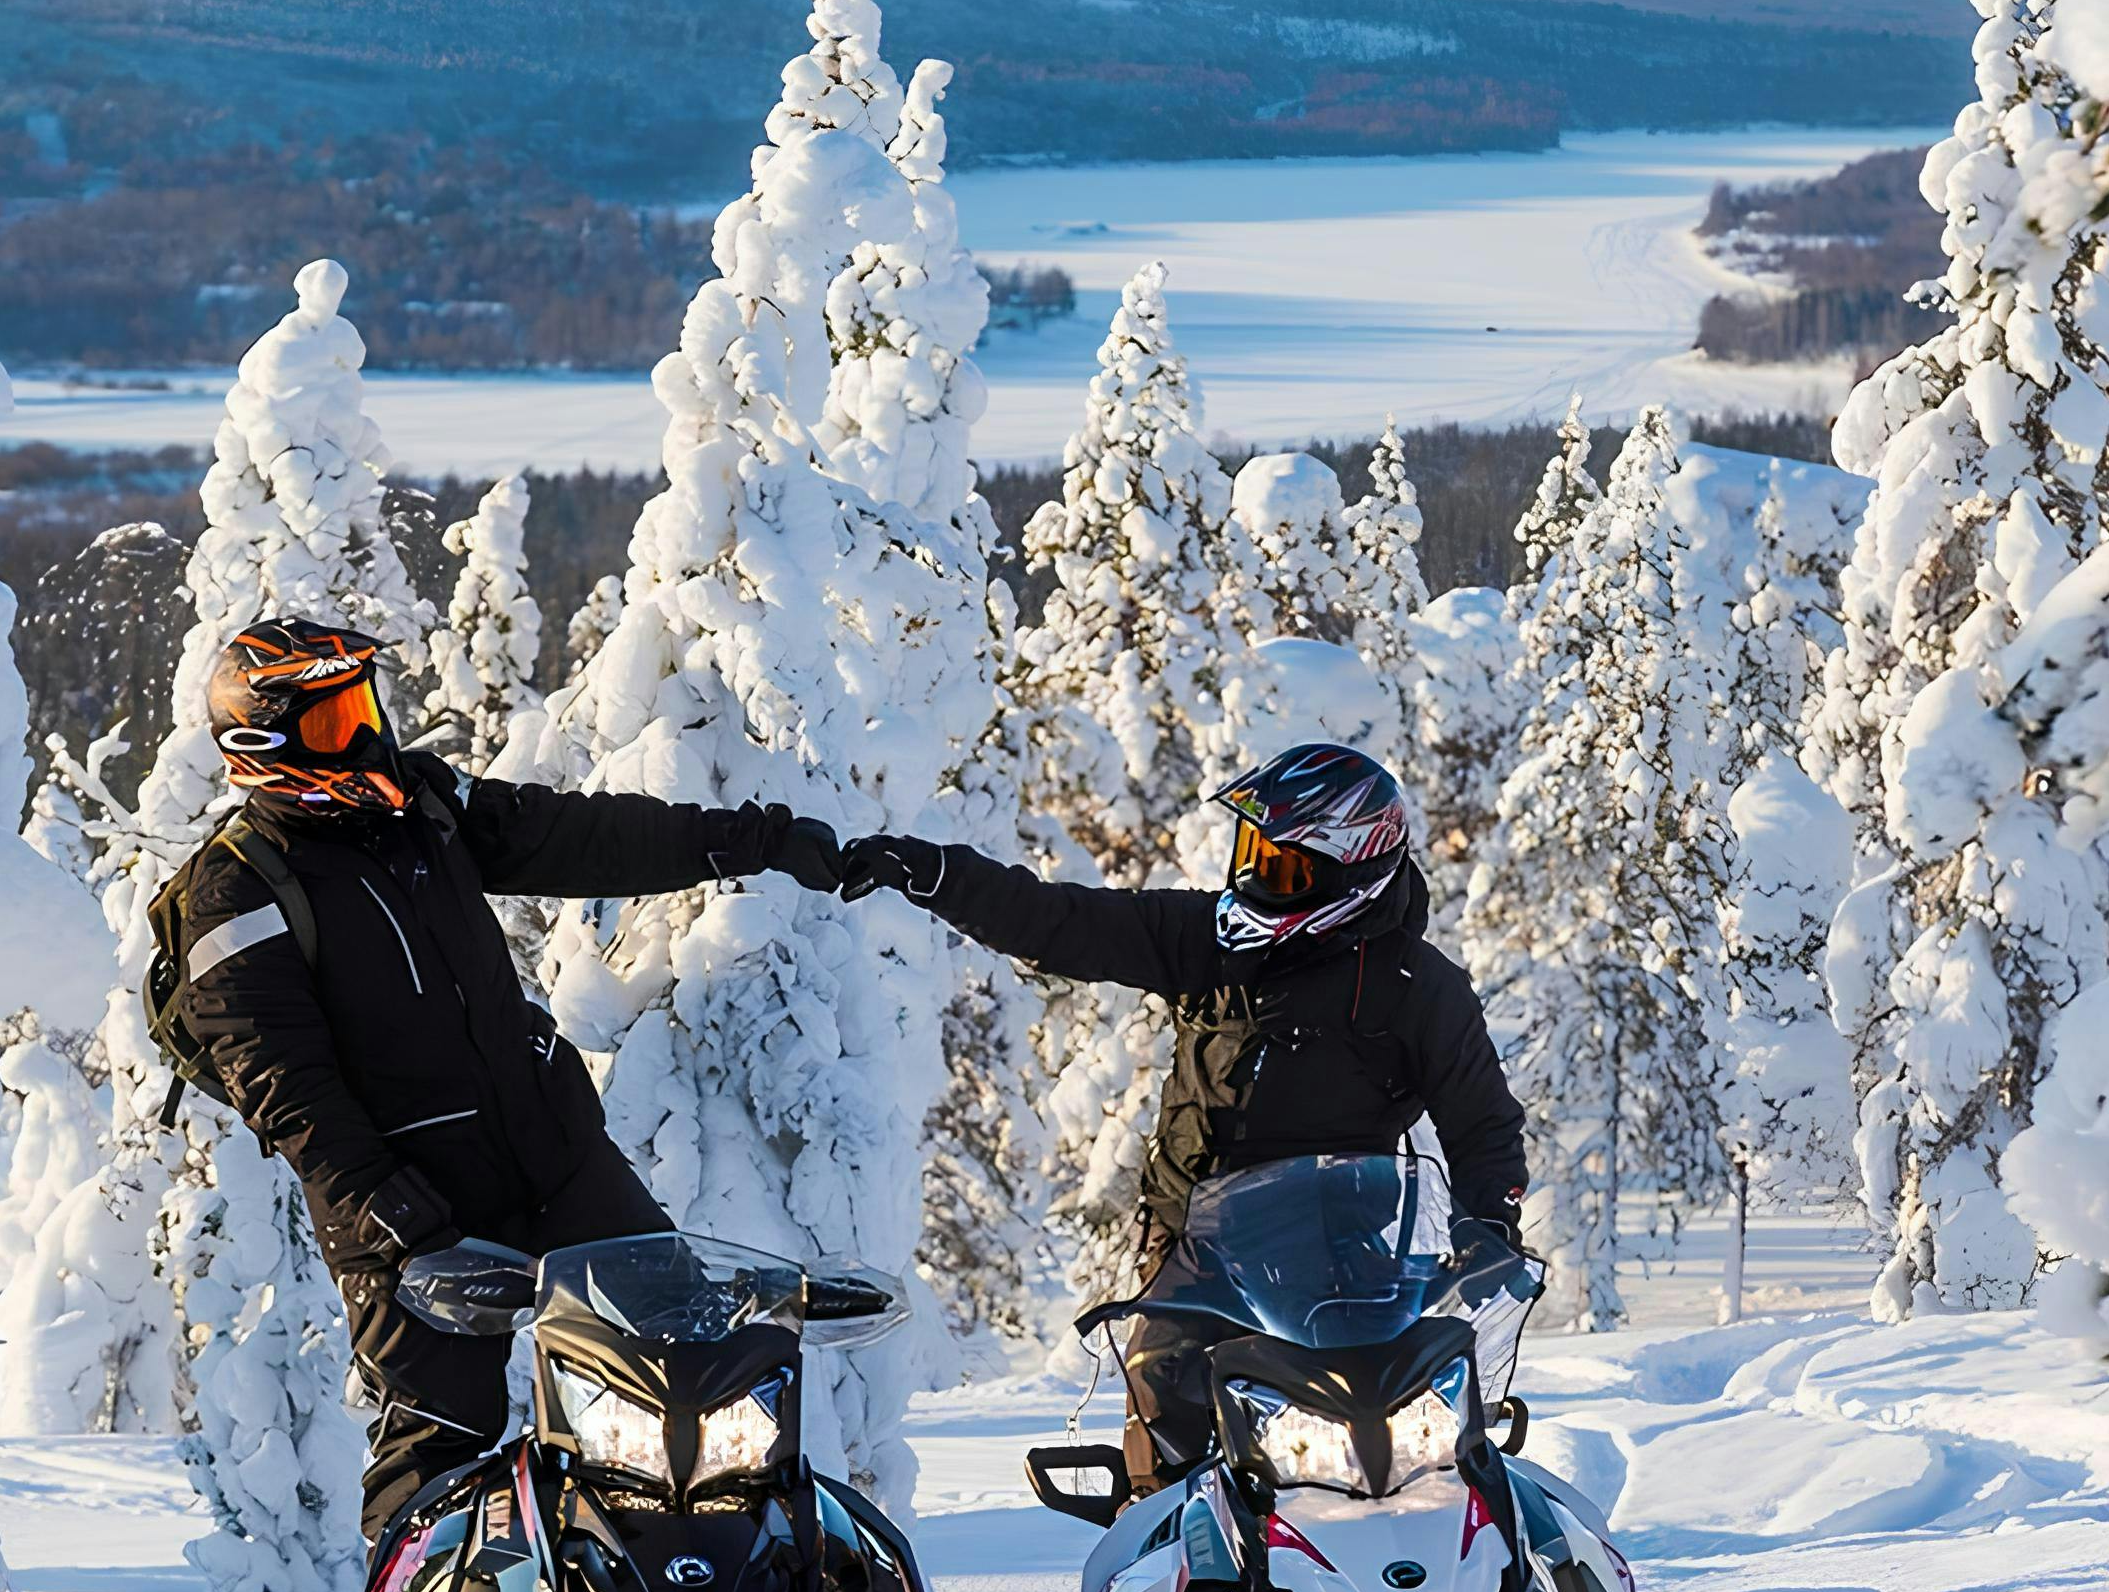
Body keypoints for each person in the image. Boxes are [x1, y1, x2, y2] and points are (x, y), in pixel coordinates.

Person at [165, 618, 844, 1539]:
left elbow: (577, 837)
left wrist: (747, 842)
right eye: (333, 726)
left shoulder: (425, 806)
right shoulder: (239, 889)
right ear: (262, 745)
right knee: (445, 1438)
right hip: (405, 1208)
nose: (366, 739)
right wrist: (403, 1228)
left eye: (364, 710)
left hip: (549, 1157)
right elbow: (292, 1096)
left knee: (685, 1353)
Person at [839, 740, 1525, 1480]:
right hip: (1195, 1249)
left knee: (1389, 1435)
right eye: (1255, 853)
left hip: (1338, 1261)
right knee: (1166, 1408)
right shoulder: (1211, 943)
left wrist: (1488, 1231)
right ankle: (1166, 1568)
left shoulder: (1415, 987)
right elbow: (1062, 921)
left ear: (1350, 870)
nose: (1259, 875)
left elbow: (1481, 1122)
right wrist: (940, 877)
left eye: (1286, 865)